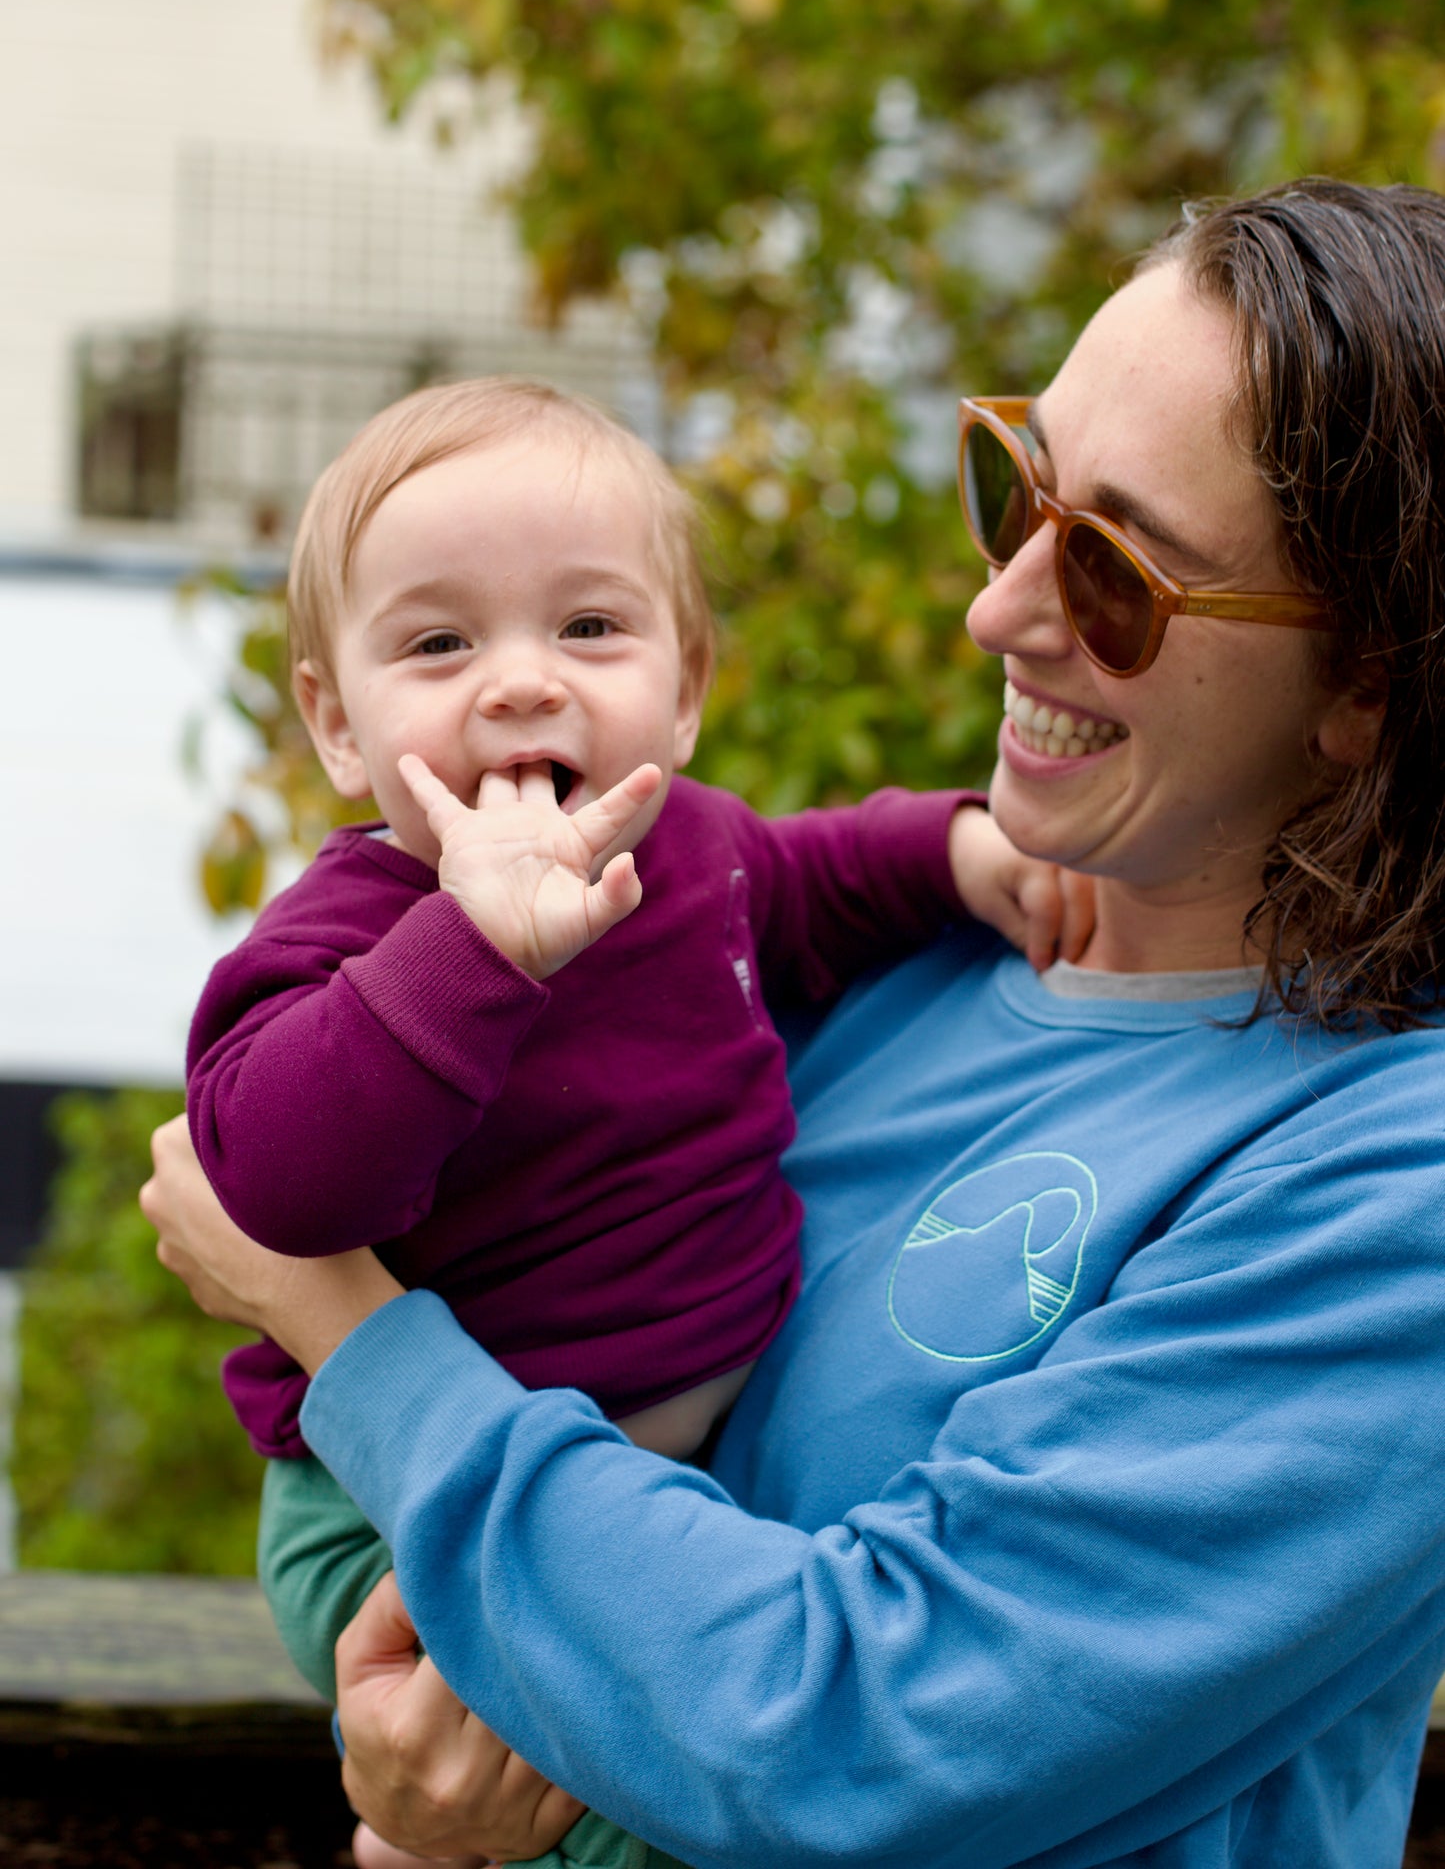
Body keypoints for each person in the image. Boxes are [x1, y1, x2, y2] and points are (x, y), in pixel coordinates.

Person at [146, 179, 1445, 1869]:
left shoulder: (1387, 1184)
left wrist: (342, 1325)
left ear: (1366, 684)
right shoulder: (873, 990)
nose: (996, 610)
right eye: (1013, 487)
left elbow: (841, 1732)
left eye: (1116, 573)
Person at [185, 376, 1085, 1864]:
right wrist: (470, 951)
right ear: (338, 728)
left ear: (684, 687)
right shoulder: (342, 943)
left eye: (589, 629)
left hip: (666, 1488)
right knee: (628, 1819)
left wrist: (956, 848)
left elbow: (815, 878)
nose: (523, 682)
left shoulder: (696, 853)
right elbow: (275, 1182)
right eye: (438, 644)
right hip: (396, 1514)